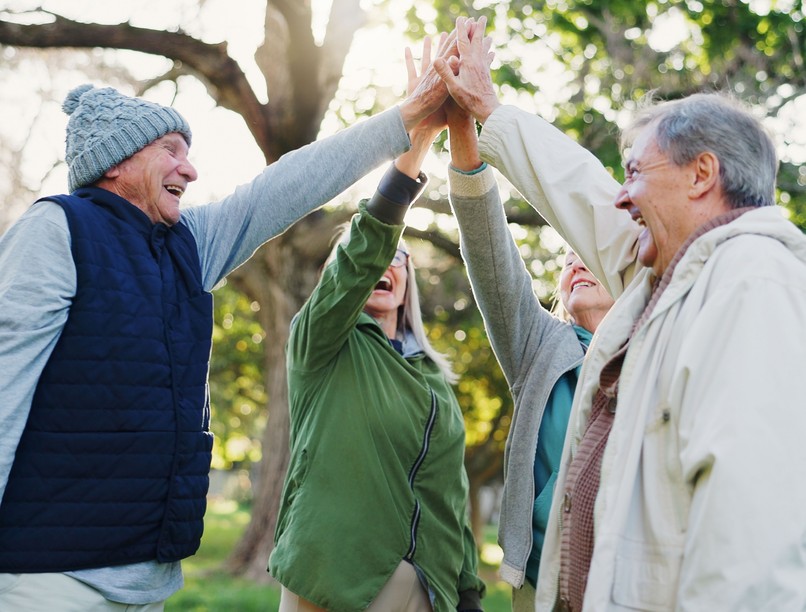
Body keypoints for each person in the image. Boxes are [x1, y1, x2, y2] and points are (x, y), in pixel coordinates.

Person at [0, 32, 460, 610]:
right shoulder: (55, 231)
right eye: (171, 150)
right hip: (49, 579)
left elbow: (286, 186)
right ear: (118, 161)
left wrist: (406, 119)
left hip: (146, 579)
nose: (189, 170)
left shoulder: (189, 243)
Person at [437, 18, 806, 611]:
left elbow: (748, 538)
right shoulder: (675, 280)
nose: (621, 194)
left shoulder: (749, 285)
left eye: (635, 172)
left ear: (701, 175)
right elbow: (586, 198)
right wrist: (488, 112)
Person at [268, 36, 486, 612]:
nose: (384, 265)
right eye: (374, 257)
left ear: (409, 281)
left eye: (399, 260)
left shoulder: (432, 377)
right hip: (330, 577)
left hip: (421, 588)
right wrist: (414, 148)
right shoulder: (323, 345)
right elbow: (361, 253)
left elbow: (448, 492)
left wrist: (466, 589)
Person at [443, 95, 613, 611]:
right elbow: (491, 253)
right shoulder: (541, 347)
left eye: (589, 253)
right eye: (567, 259)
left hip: (627, 578)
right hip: (542, 584)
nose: (577, 264)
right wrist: (464, 139)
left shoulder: (653, 343)